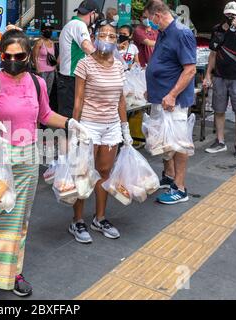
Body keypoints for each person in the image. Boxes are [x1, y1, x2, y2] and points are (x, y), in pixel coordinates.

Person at [0, 29, 89, 297]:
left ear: (28, 56)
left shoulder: (38, 83)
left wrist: (71, 123)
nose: (12, 60)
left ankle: (13, 272)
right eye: (7, 55)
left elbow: (45, 115)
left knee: (19, 219)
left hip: (28, 159)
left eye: (19, 55)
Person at [70, 19, 132, 244]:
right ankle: (77, 220)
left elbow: (121, 99)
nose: (107, 39)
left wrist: (125, 128)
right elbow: (78, 100)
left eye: (112, 36)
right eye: (103, 35)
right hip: (89, 125)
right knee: (84, 174)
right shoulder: (85, 64)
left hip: (112, 126)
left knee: (105, 172)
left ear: (118, 41)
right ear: (95, 37)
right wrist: (74, 129)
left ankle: (100, 217)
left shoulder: (118, 64)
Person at [144, 0, 197, 205]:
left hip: (173, 101)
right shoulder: (164, 32)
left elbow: (190, 69)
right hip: (161, 98)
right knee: (164, 140)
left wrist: (173, 94)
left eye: (149, 19)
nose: (149, 23)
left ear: (158, 15)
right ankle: (169, 175)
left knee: (179, 141)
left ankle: (180, 188)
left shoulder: (181, 33)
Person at [203, 2, 236, 159]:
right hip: (219, 75)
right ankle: (220, 141)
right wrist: (207, 75)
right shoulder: (218, 29)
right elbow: (212, 53)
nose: (231, 18)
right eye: (228, 15)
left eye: (234, 15)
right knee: (219, 110)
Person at [57, 0, 99, 120]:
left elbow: (60, 59)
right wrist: (102, 64)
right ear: (92, 13)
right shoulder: (79, 25)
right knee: (71, 118)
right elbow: (86, 46)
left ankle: (67, 138)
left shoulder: (69, 25)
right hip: (72, 79)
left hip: (66, 79)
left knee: (66, 117)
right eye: (96, 16)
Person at [32, 26, 56, 96]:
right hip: (42, 71)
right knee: (42, 91)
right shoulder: (39, 42)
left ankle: (46, 105)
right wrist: (37, 69)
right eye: (47, 30)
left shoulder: (52, 42)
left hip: (51, 70)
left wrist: (55, 68)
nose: (49, 31)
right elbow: (35, 57)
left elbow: (53, 57)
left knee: (48, 91)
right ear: (42, 31)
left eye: (50, 30)